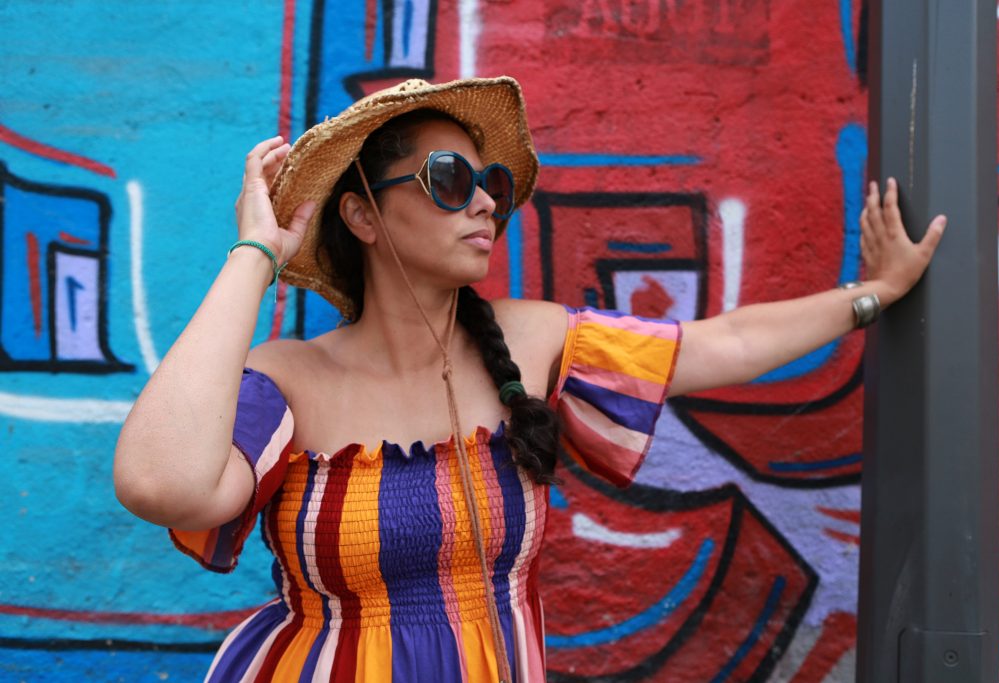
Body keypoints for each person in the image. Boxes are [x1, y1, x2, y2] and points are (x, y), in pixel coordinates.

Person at [113, 76, 945, 683]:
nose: (483, 203)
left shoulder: (532, 339)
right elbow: (159, 481)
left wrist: (872, 294)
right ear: (363, 214)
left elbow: (720, 343)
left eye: (492, 185)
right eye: (450, 181)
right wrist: (256, 256)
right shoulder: (291, 380)